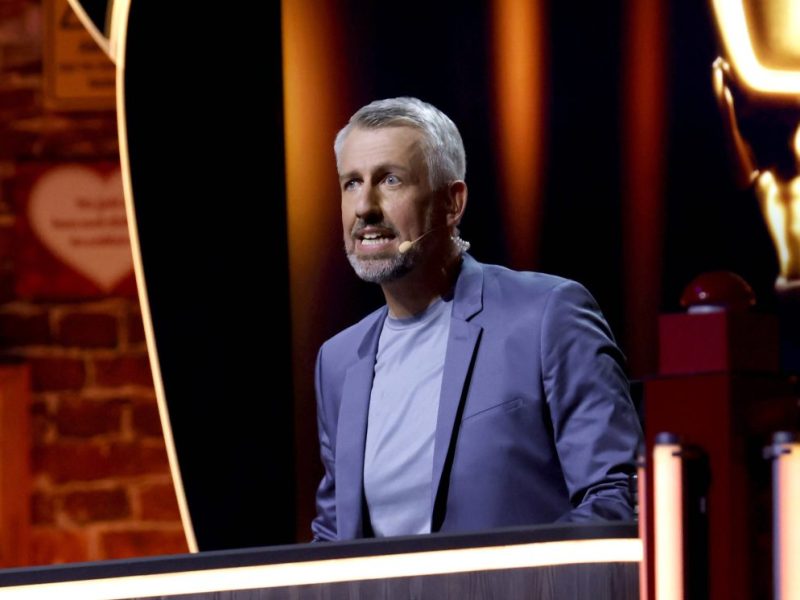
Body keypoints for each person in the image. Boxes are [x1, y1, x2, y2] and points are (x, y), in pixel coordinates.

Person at [311, 96, 643, 542]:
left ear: (453, 203)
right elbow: (333, 537)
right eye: (352, 183)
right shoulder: (337, 361)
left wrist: (511, 576)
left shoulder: (547, 315)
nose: (364, 207)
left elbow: (616, 494)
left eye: (390, 180)